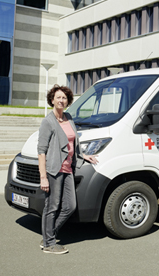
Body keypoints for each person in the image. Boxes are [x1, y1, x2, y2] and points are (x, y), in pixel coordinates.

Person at [38, 85, 98, 254]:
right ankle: (49, 243)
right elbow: (41, 151)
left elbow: (73, 143)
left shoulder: (69, 118)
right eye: (58, 97)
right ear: (52, 100)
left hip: (68, 169)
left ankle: (49, 235)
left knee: (70, 206)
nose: (61, 100)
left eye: (64, 98)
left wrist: (84, 156)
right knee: (52, 206)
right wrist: (43, 177)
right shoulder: (48, 122)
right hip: (54, 170)